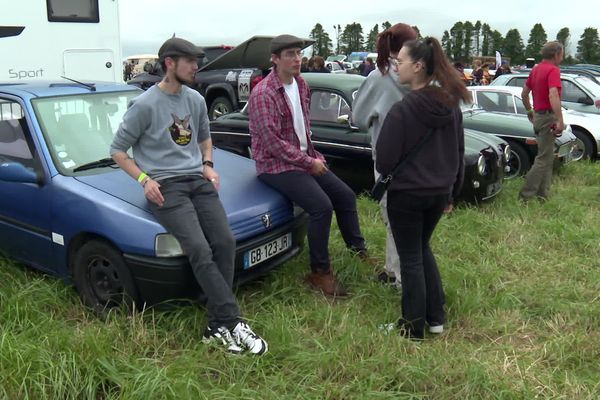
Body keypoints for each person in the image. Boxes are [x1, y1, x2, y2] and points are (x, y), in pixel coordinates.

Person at [110, 37, 268, 355]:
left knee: (224, 242)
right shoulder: (144, 105)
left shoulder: (195, 99)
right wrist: (144, 180)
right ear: (170, 63)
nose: (197, 66)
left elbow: (205, 138)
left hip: (198, 182)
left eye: (197, 61)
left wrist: (208, 165)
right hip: (166, 188)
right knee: (198, 248)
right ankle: (232, 320)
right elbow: (117, 151)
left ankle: (215, 326)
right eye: (190, 61)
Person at [248, 34, 375, 298]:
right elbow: (273, 144)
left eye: (299, 53)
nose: (297, 59)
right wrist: (309, 162)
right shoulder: (263, 92)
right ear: (275, 59)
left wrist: (314, 156)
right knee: (321, 207)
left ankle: (358, 251)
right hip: (275, 166)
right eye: (290, 54)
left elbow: (302, 129)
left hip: (303, 159)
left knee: (346, 196)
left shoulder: (301, 84)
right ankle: (319, 272)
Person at [375, 37, 469, 339]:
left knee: (411, 258)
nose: (395, 66)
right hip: (439, 193)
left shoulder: (402, 110)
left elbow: (385, 160)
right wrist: (453, 192)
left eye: (399, 61)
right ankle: (435, 318)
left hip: (408, 194)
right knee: (422, 248)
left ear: (417, 66)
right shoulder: (451, 104)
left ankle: (412, 328)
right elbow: (458, 150)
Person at [352, 23, 418, 287]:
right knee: (407, 220)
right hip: (422, 157)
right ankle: (392, 271)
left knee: (395, 218)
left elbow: (358, 118)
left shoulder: (379, 77)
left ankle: (403, 282)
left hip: (389, 159)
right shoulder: (424, 73)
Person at [519, 41, 565, 201]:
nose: (563, 57)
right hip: (548, 117)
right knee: (543, 158)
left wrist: (529, 110)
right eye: (562, 54)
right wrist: (560, 120)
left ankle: (543, 194)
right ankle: (525, 196)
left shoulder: (536, 69)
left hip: (538, 115)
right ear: (557, 54)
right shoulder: (553, 70)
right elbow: (553, 95)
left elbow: (524, 93)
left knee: (546, 156)